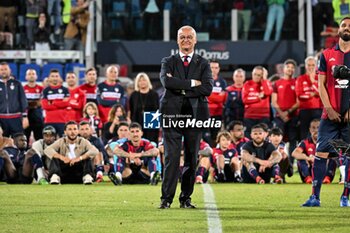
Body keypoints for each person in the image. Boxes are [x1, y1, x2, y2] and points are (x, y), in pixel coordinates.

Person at [159, 25, 213, 209]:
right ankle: (166, 199)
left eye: (190, 37)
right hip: (171, 114)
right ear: (177, 40)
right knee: (171, 158)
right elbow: (167, 82)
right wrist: (191, 84)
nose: (186, 40)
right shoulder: (168, 61)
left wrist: (179, 88)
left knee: (191, 158)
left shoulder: (203, 63)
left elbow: (207, 88)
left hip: (195, 116)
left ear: (195, 40)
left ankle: (185, 199)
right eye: (182, 37)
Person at [302, 17, 350, 207]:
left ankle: (345, 196)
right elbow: (321, 84)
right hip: (329, 115)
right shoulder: (327, 54)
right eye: (344, 25)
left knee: (348, 155)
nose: (347, 28)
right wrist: (328, 108)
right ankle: (315, 197)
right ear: (338, 29)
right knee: (320, 153)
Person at [271, 59, 299, 167]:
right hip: (279, 117)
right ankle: (277, 163)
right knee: (277, 140)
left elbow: (298, 102)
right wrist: (282, 113)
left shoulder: (297, 82)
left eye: (292, 68)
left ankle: (290, 164)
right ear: (284, 69)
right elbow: (274, 101)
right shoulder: (277, 83)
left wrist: (287, 112)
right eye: (288, 67)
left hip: (293, 116)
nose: (290, 69)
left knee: (293, 141)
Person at [292, 119, 336, 184]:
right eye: (313, 128)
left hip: (323, 169)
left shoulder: (327, 142)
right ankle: (308, 178)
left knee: (333, 158)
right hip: (310, 171)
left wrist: (320, 159)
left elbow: (336, 154)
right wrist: (308, 158)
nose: (316, 130)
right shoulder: (305, 142)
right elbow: (294, 153)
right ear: (310, 130)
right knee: (301, 159)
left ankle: (327, 178)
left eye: (318, 127)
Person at [296, 56, 322, 140]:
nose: (311, 67)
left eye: (313, 65)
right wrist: (312, 94)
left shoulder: (320, 78)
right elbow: (299, 94)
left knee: (319, 132)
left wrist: (313, 82)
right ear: (305, 65)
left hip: (318, 109)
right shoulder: (300, 78)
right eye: (309, 65)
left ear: (316, 66)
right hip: (304, 109)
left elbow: (322, 93)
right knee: (304, 132)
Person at [242, 66, 273, 137]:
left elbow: (268, 92)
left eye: (259, 75)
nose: (256, 76)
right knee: (248, 138)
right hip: (250, 116)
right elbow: (245, 100)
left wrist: (264, 79)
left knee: (263, 138)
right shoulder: (247, 84)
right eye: (254, 74)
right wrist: (258, 98)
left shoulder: (267, 83)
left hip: (263, 117)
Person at [129, 72, 159, 144]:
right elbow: (131, 110)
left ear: (147, 81)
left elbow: (157, 109)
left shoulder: (154, 94)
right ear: (137, 82)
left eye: (144, 80)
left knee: (151, 143)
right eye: (140, 80)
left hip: (151, 120)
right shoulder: (134, 95)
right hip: (137, 120)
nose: (142, 82)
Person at [0, 62, 28, 137]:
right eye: (1, 69)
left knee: (19, 143)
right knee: (2, 144)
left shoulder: (17, 83)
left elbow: (23, 100)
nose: (3, 71)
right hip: (1, 120)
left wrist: (25, 117)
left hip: (16, 119)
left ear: (10, 70)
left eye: (5, 69)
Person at [41, 69, 70, 137]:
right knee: (49, 142)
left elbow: (66, 104)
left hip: (62, 121)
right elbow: (45, 106)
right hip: (49, 121)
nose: (55, 78)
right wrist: (60, 102)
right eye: (52, 76)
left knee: (64, 142)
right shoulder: (45, 91)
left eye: (56, 76)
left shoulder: (65, 90)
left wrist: (52, 102)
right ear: (49, 78)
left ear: (59, 78)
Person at [207, 60, 227, 145]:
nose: (214, 70)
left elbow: (222, 99)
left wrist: (209, 95)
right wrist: (217, 96)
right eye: (212, 67)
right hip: (205, 114)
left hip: (217, 114)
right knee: (205, 137)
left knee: (216, 137)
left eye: (216, 68)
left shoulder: (222, 82)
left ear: (218, 69)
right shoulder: (202, 80)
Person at [23, 69, 44, 143]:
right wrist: (35, 103)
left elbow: (41, 103)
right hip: (26, 117)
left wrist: (27, 103)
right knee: (25, 138)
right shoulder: (22, 89)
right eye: (29, 74)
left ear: (36, 76)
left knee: (39, 138)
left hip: (37, 117)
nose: (31, 75)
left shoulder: (41, 89)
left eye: (33, 74)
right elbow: (21, 103)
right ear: (26, 77)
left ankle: (41, 154)